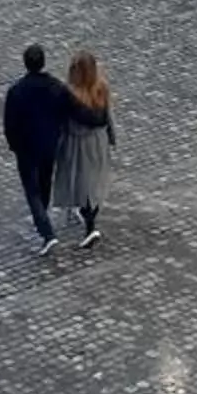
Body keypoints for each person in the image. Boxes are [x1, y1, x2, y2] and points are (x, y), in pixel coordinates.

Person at [2, 42, 83, 253]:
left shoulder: (17, 91)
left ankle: (46, 231)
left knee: (32, 191)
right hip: (50, 144)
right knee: (45, 181)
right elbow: (69, 110)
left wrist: (14, 145)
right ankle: (43, 216)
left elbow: (9, 124)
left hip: (26, 148)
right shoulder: (56, 87)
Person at [51, 49, 115, 247]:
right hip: (98, 141)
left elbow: (60, 119)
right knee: (93, 181)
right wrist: (111, 137)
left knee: (81, 181)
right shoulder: (101, 88)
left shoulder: (69, 94)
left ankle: (89, 225)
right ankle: (89, 219)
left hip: (77, 143)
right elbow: (107, 116)